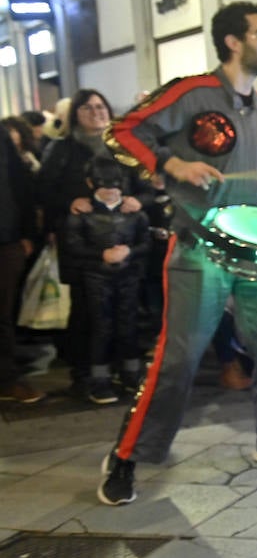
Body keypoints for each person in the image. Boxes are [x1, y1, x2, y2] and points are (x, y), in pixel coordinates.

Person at [97, 1, 257, 506]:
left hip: (256, 256)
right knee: (179, 359)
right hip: (196, 246)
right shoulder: (192, 93)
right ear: (234, 41)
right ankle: (127, 455)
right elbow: (119, 134)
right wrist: (171, 163)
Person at [36, 89, 147, 396]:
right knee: (87, 313)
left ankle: (124, 369)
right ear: (75, 115)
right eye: (87, 108)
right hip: (83, 244)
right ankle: (87, 373)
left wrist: (138, 200)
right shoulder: (62, 149)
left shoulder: (123, 147)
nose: (96, 112)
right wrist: (72, 202)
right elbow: (43, 191)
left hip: (124, 243)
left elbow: (146, 186)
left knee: (125, 312)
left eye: (101, 106)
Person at [62, 157, 151, 404]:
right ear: (90, 183)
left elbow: (145, 242)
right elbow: (73, 245)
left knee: (128, 324)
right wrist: (101, 254)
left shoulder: (135, 214)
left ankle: (131, 373)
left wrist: (130, 252)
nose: (111, 190)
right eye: (104, 185)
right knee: (101, 327)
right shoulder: (82, 214)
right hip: (96, 278)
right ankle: (98, 378)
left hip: (128, 276)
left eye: (115, 184)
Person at [1, 114, 43, 404]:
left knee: (3, 315)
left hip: (6, 240)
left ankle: (5, 378)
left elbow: (20, 184)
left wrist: (28, 234)